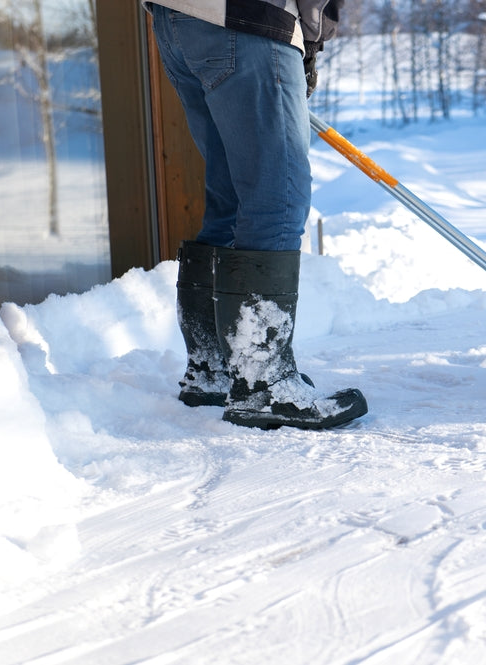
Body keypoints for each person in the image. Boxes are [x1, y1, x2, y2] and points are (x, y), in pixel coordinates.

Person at [143, 1, 367, 430]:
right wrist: (311, 38)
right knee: (276, 197)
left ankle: (215, 367)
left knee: (230, 193)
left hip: (178, 20)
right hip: (249, 19)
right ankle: (263, 385)